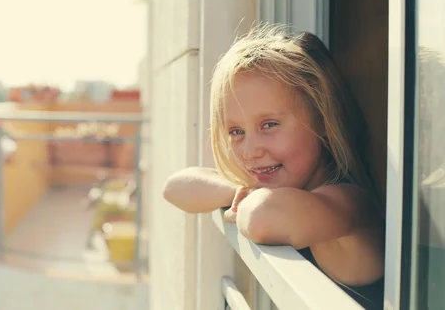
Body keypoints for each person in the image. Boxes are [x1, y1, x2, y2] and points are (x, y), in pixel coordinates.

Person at [163, 24, 385, 309]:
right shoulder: (290, 194)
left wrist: (249, 196)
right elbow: (176, 187)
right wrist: (239, 189)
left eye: (269, 125)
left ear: (324, 121)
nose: (250, 150)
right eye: (236, 131)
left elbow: (260, 218)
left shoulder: (349, 202)